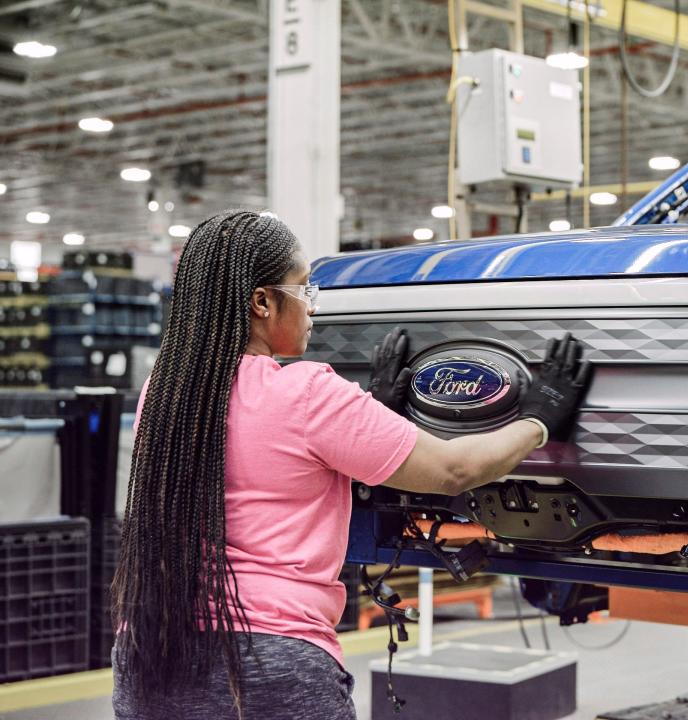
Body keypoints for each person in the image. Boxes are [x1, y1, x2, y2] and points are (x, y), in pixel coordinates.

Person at [111, 210, 592, 720]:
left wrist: (373, 413)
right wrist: (540, 417)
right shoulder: (305, 391)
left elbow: (272, 460)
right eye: (303, 290)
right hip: (268, 660)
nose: (312, 309)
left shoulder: (163, 395)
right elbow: (454, 469)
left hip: (150, 649)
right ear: (261, 302)